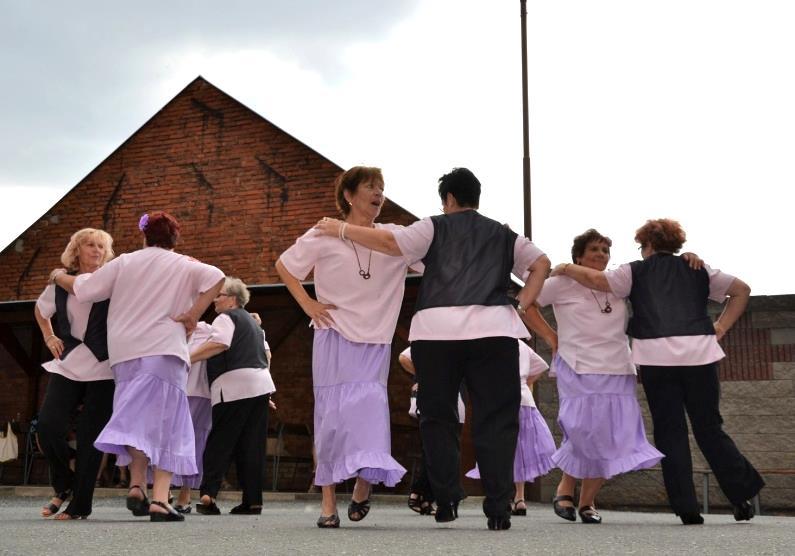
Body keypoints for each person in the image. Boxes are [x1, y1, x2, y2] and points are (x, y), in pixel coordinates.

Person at [315, 167, 550, 530]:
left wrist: (341, 228)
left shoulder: (432, 227)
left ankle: (446, 500)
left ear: (449, 200)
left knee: (438, 418)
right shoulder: (505, 235)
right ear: (476, 198)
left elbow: (392, 245)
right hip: (495, 332)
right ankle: (499, 508)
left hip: (436, 334)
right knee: (496, 419)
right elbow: (541, 264)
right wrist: (522, 303)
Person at [551, 218, 764, 524]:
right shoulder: (697, 268)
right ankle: (741, 495)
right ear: (676, 245)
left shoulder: (633, 271)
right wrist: (720, 327)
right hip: (699, 354)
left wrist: (567, 268)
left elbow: (599, 281)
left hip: (655, 358)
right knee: (709, 427)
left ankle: (686, 507)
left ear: (646, 245)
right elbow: (742, 290)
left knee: (670, 430)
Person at [51, 211, 224, 522]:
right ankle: (159, 499)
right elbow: (218, 278)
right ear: (175, 239)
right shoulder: (184, 264)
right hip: (164, 350)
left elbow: (85, 289)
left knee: (138, 420)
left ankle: (135, 485)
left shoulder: (125, 262)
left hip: (125, 354)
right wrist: (194, 313)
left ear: (145, 237)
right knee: (168, 423)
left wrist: (58, 277)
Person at [276, 166, 409, 528]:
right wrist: (308, 304)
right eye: (370, 186)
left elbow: (430, 252)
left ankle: (364, 485)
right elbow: (285, 265)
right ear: (349, 195)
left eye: (382, 187)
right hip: (333, 335)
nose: (379, 192)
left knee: (369, 410)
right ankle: (328, 502)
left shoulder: (393, 235)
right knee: (331, 418)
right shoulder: (322, 234)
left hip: (375, 340)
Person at [525, 229, 664, 524]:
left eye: (605, 250)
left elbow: (658, 279)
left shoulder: (618, 282)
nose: (601, 254)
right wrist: (551, 336)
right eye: (594, 249)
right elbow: (527, 303)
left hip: (618, 367)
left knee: (611, 434)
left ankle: (587, 501)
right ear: (579, 255)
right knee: (583, 428)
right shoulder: (560, 282)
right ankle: (565, 486)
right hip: (578, 363)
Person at [34, 228, 116, 520]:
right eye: (90, 245)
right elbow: (41, 310)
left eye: (101, 247)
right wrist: (49, 337)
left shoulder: (111, 282)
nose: (96, 251)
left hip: (104, 367)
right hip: (68, 363)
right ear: (77, 250)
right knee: (47, 426)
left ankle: (80, 503)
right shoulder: (59, 283)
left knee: (90, 437)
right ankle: (64, 482)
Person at [191, 277, 276, 515]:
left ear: (232, 299)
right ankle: (253, 501)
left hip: (232, 387)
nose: (215, 300)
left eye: (219, 295)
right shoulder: (254, 324)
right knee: (252, 445)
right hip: (260, 385)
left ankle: (208, 494)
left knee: (220, 442)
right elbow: (266, 356)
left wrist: (186, 360)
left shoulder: (226, 318)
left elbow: (219, 343)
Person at [465, 340, 556, 516]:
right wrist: (523, 382)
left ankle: (502, 496)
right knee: (520, 450)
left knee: (501, 448)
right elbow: (540, 366)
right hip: (524, 400)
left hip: (499, 400)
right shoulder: (521, 345)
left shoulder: (491, 343)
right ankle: (519, 498)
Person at [398, 347, 466, 517]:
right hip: (435, 401)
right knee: (434, 450)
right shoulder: (431, 335)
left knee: (439, 450)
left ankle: (425, 496)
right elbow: (404, 357)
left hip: (456, 401)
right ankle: (421, 493)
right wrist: (425, 376)